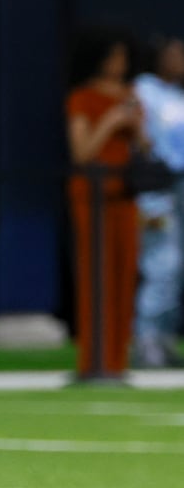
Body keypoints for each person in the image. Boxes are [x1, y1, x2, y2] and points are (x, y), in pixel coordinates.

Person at [66, 26, 145, 381]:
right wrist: (111, 122)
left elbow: (144, 148)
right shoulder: (82, 98)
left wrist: (137, 126)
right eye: (115, 57)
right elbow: (82, 152)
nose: (120, 64)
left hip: (125, 193)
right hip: (93, 194)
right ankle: (93, 361)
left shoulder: (131, 95)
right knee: (96, 276)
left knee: (125, 274)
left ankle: (118, 360)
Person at [131, 34, 184, 368]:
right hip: (157, 188)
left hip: (181, 184)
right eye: (176, 54)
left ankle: (164, 339)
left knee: (178, 267)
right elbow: (141, 139)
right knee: (162, 262)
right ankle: (146, 337)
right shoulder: (144, 90)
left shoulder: (180, 94)